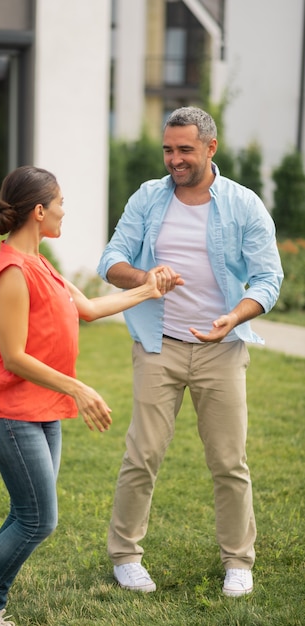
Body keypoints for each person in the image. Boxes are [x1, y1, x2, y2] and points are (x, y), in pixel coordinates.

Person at [0, 165, 179, 626]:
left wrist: (148, 289)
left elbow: (88, 309)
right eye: (60, 204)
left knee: (29, 515)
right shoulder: (13, 270)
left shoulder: (39, 264)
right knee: (37, 518)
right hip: (12, 411)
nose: (64, 212)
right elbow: (12, 356)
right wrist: (79, 386)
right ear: (38, 211)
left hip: (41, 408)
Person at [97, 106, 283, 598]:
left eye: (184, 150)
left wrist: (234, 318)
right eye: (168, 149)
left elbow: (269, 279)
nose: (174, 159)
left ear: (210, 148)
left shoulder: (243, 205)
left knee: (228, 460)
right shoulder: (148, 198)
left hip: (221, 349)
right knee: (143, 454)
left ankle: (238, 562)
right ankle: (125, 556)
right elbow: (111, 260)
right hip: (158, 346)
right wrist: (146, 279)